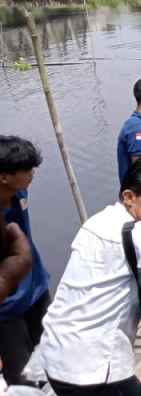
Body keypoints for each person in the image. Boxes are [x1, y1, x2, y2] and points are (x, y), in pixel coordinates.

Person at [40, 158, 141, 396]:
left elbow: (128, 261)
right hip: (92, 366)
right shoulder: (139, 233)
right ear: (129, 196)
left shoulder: (97, 222)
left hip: (56, 352)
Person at [0, 136, 49, 386]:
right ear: (4, 177)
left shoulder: (18, 192)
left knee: (54, 358)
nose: (32, 173)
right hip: (7, 309)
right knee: (24, 376)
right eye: (26, 169)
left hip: (37, 291)